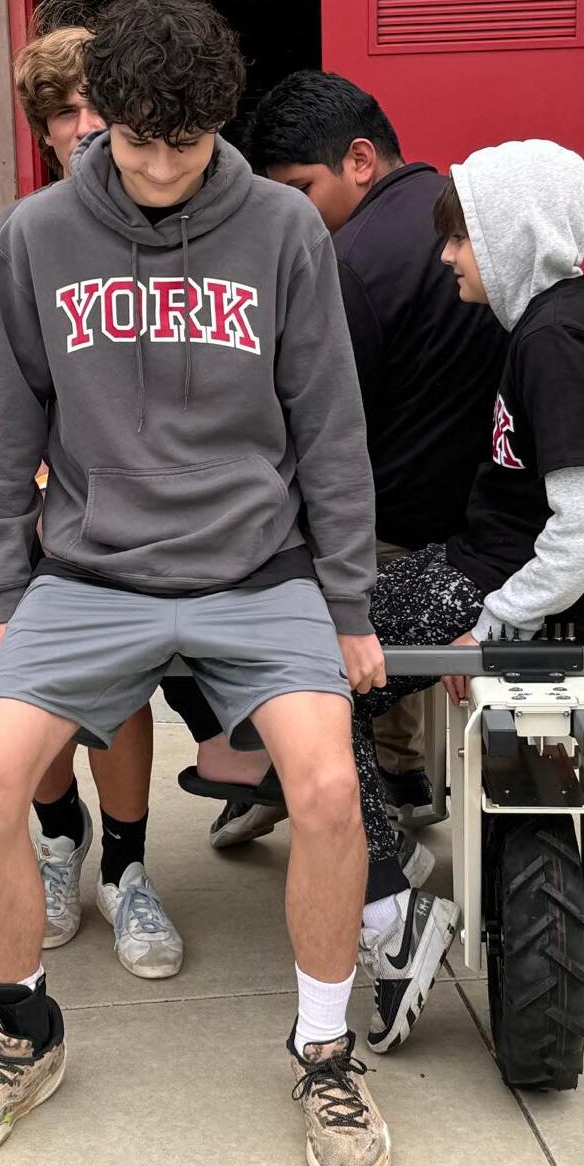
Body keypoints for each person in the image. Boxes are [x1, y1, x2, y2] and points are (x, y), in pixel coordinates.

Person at [0, 0, 393, 1166]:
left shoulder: (282, 231)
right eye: (137, 142)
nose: (162, 167)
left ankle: (324, 1051)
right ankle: (21, 1034)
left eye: (186, 142)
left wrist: (346, 603)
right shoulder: (31, 239)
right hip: (89, 570)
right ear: (98, 120)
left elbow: (329, 428)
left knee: (328, 787)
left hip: (256, 568)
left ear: (217, 122)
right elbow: (1, 437)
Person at [0, 3, 184, 979]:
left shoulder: (173, 226)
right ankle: (59, 840)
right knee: (37, 684)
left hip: (152, 516)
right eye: (63, 111)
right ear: (41, 129)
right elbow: (3, 411)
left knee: (122, 689)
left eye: (98, 104)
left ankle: (126, 867)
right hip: (58, 511)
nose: (83, 125)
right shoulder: (9, 240)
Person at [248, 71, 507, 827]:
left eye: (300, 188)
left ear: (360, 159)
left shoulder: (347, 262)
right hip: (476, 513)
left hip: (391, 515)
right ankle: (403, 775)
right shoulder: (466, 221)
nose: (291, 210)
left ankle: (354, 808)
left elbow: (320, 423)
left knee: (319, 644)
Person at [361, 138, 584, 737]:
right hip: (496, 572)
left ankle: (361, 806)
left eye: (461, 238)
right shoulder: (576, 323)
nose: (446, 256)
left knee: (316, 671)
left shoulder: (557, 344)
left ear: (516, 236)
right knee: (327, 627)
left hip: (510, 592)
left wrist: (496, 628)